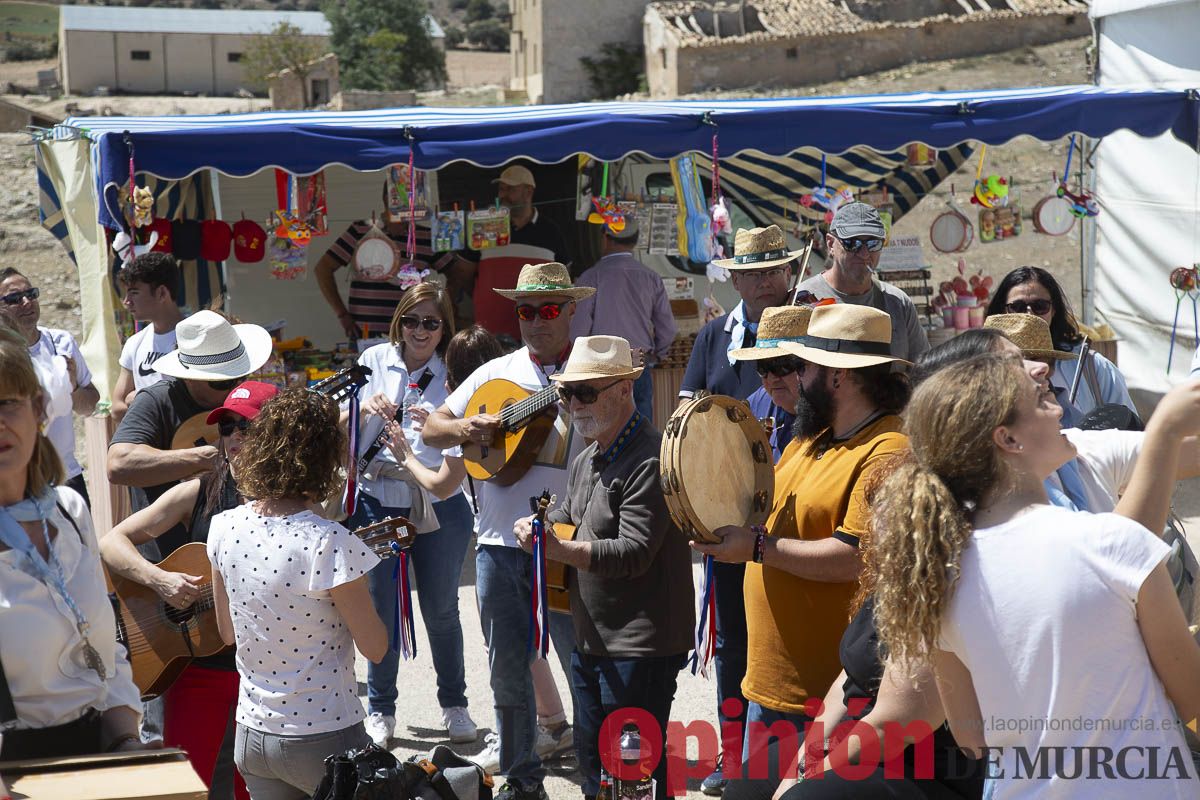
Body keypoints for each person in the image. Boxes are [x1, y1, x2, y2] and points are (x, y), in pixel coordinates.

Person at [868, 353, 1200, 797]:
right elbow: (1192, 696)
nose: (1061, 411)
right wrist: (1166, 428)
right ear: (1007, 438)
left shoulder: (939, 575)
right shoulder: (1112, 543)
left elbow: (970, 735)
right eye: (1043, 403)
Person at [693, 304, 911, 798]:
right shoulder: (809, 437)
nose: (795, 376)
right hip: (770, 685)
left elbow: (855, 559)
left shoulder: (889, 449)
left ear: (837, 376)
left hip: (824, 697)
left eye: (804, 365)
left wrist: (756, 547)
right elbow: (764, 514)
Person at [423, 261, 590, 800]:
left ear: (569, 310)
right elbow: (431, 427)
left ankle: (600, 774)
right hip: (497, 545)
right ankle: (522, 781)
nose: (535, 321)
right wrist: (469, 426)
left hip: (567, 545)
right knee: (507, 676)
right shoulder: (500, 371)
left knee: (583, 666)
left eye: (546, 310)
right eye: (524, 311)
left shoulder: (591, 366)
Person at [513, 335, 694, 800]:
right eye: (567, 392)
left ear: (623, 390)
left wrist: (560, 550)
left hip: (640, 646)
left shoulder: (651, 458)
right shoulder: (587, 457)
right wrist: (538, 527)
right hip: (594, 640)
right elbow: (565, 516)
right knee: (596, 768)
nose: (573, 403)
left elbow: (633, 551)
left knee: (633, 775)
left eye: (586, 392)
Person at [99, 380, 279, 800]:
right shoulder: (200, 489)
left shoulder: (294, 502)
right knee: (183, 787)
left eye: (245, 427)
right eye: (226, 428)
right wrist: (159, 579)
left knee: (251, 788)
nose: (233, 437)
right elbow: (112, 542)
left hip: (262, 671)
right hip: (198, 669)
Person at [209, 387, 388, 800]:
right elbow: (376, 647)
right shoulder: (330, 542)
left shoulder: (224, 526)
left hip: (253, 734)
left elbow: (226, 633)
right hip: (324, 736)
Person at [679, 223, 799, 795]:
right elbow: (688, 427)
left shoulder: (810, 328)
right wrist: (690, 506)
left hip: (798, 509)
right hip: (728, 512)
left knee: (795, 629)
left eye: (772, 270)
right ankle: (735, 755)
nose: (762, 281)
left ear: (787, 273)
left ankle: (794, 755)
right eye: (751, 272)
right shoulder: (711, 338)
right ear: (737, 278)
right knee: (731, 639)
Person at [0, 327, 144, 760]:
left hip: (97, 756)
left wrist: (127, 742)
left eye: (7, 402)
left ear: (39, 409)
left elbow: (106, 651)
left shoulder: (68, 512)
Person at [345, 281, 478, 748]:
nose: (420, 331)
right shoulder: (373, 360)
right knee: (380, 607)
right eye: (412, 320)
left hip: (439, 501)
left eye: (431, 323)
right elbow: (337, 420)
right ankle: (381, 709)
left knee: (441, 609)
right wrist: (363, 407)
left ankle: (454, 704)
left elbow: (464, 442)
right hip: (376, 497)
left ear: (445, 329)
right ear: (399, 320)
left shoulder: (456, 373)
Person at [108, 310, 273, 557]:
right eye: (222, 380)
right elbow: (119, 463)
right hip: (171, 560)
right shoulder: (156, 401)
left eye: (239, 375)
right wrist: (203, 458)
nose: (235, 385)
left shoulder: (245, 397)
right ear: (190, 378)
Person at [985, 265, 1134, 426]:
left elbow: (1128, 427)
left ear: (1054, 310)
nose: (1029, 314)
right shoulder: (985, 371)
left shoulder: (1094, 367)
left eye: (1040, 306)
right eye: (1017, 307)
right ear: (1002, 311)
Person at [0, 268, 99, 506]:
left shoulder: (62, 342)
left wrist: (73, 388)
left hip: (67, 476)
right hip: (19, 481)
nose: (26, 302)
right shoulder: (4, 356)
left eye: (31, 294)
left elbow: (90, 406)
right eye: (14, 298)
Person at [794, 202, 929, 362]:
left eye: (873, 243)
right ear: (830, 244)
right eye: (853, 243)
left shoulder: (898, 303)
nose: (864, 253)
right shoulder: (802, 300)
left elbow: (923, 370)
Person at [570, 218, 676, 420]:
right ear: (634, 241)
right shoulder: (651, 277)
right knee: (640, 434)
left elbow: (577, 333)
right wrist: (657, 356)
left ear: (605, 238)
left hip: (601, 370)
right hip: (637, 365)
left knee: (604, 434)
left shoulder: (591, 277)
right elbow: (668, 329)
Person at [315, 185, 453, 339]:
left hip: (412, 334)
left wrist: (440, 311)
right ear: (385, 198)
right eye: (396, 196)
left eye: (408, 197)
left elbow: (456, 274)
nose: (402, 202)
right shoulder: (360, 230)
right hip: (365, 334)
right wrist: (341, 314)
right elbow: (323, 269)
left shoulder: (426, 237)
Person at [457, 166, 568, 340]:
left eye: (510, 189)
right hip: (489, 332)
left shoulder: (551, 232)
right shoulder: (483, 228)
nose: (503, 195)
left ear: (528, 191)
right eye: (501, 189)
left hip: (537, 333)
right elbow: (464, 273)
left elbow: (564, 280)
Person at [730, 306, 813, 461]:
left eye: (782, 365)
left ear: (811, 365)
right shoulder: (754, 405)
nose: (772, 378)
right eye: (763, 368)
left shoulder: (835, 413)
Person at [113, 252, 185, 420]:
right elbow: (117, 407)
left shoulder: (196, 339)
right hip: (146, 444)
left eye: (134, 292)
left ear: (161, 293)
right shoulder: (134, 343)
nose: (126, 301)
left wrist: (140, 400)